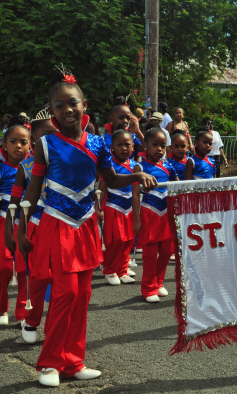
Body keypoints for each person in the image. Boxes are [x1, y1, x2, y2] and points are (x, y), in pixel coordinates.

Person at [17, 68, 156, 387]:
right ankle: (50, 364)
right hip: (57, 225)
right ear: (52, 112)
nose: (67, 110)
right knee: (65, 294)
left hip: (85, 226)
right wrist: (23, 228)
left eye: (73, 103)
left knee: (82, 294)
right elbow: (33, 189)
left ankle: (74, 360)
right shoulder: (46, 144)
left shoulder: (98, 143)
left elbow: (111, 179)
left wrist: (137, 177)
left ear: (84, 105)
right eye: (60, 106)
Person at [4, 109, 56, 343]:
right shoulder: (25, 168)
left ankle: (56, 327)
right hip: (35, 227)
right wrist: (12, 231)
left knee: (62, 282)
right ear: (35, 139)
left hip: (64, 228)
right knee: (36, 277)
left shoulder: (67, 162)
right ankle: (30, 318)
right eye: (46, 135)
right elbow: (14, 205)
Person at [136, 128, 177, 303]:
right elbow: (134, 192)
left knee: (167, 251)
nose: (159, 149)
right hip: (149, 212)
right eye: (155, 145)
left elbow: (177, 186)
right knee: (150, 254)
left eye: (162, 145)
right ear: (145, 145)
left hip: (166, 213)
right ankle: (148, 288)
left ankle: (158, 282)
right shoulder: (140, 166)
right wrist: (136, 219)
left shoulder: (169, 166)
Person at [96, 130, 140, 286]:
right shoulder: (109, 165)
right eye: (119, 145)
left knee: (127, 240)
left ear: (133, 147)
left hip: (128, 208)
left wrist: (137, 216)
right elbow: (101, 189)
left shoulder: (135, 166)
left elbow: (136, 194)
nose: (124, 148)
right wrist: (98, 208)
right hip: (113, 207)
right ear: (112, 147)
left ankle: (122, 269)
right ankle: (109, 270)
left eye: (127, 145)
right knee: (114, 241)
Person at [0, 117, 32, 327]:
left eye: (23, 142)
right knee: (3, 268)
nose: (18, 146)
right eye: (13, 141)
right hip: (3, 221)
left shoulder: (34, 167)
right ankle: (2, 308)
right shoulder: (1, 167)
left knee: (24, 268)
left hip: (26, 223)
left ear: (31, 144)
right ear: (4, 144)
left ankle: (22, 311)